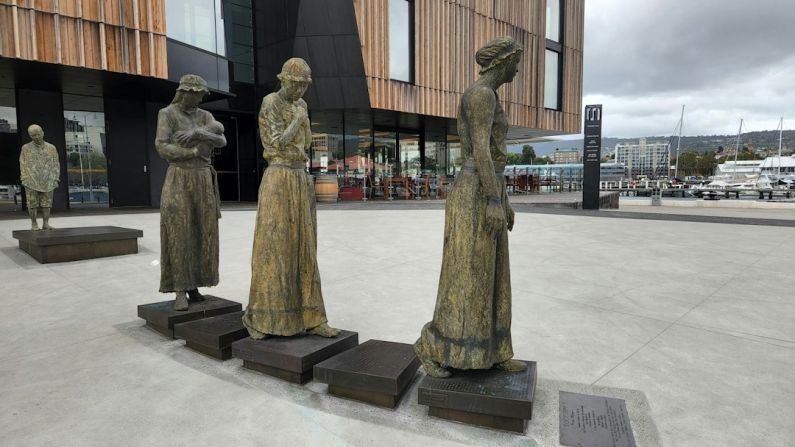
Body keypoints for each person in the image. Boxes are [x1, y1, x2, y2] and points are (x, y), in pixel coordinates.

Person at [414, 36, 527, 378]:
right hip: (474, 193)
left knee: (491, 275)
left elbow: (494, 156)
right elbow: (479, 148)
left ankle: (493, 351)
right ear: (502, 62)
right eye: (515, 62)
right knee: (467, 276)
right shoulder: (479, 95)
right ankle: (433, 347)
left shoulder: (489, 96)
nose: (518, 69)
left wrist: (502, 198)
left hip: (488, 187)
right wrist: (493, 199)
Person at [243, 58, 339, 339]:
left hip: (299, 176)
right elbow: (275, 143)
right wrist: (297, 120)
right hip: (278, 176)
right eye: (296, 85)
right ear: (284, 80)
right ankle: (262, 318)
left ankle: (313, 317)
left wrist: (303, 120)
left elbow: (307, 143)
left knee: (305, 248)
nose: (300, 92)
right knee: (274, 247)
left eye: (304, 87)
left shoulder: (302, 106)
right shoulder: (271, 102)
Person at [155, 74, 226, 311]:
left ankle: (195, 285)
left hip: (203, 178)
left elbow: (221, 139)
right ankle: (179, 288)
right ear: (185, 91)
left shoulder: (205, 116)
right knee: (179, 230)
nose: (199, 100)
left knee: (202, 230)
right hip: (180, 177)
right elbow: (162, 146)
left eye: (201, 96)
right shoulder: (167, 113)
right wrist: (193, 152)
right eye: (196, 95)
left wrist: (198, 134)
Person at [19, 124, 60, 230]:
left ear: (42, 133)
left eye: (38, 134)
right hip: (31, 180)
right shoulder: (25, 148)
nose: (36, 137)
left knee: (47, 203)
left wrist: (55, 177)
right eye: (33, 135)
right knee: (32, 203)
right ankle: (34, 223)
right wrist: (24, 177)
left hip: (47, 179)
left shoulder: (51, 148)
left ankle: (45, 223)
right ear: (30, 136)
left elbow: (56, 163)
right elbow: (22, 163)